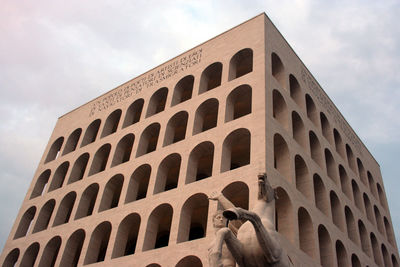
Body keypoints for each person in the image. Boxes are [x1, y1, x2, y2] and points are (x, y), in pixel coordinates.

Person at [208, 173, 292, 267]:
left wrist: (221, 198)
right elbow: (236, 217)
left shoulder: (244, 228)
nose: (221, 219)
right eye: (217, 218)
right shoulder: (241, 230)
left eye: (222, 218)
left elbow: (273, 257)